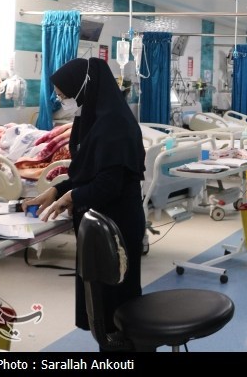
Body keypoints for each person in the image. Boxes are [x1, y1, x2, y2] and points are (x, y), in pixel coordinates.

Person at [24, 57, 146, 337]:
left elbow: (108, 185)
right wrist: (57, 190)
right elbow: (87, 173)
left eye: (63, 94)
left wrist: (71, 197)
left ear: (83, 87)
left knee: (117, 309)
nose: (60, 100)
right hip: (96, 225)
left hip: (116, 228)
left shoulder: (115, 126)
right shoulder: (89, 121)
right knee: (98, 308)